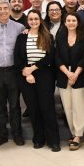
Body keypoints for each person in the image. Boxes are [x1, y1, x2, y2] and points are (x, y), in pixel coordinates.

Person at [13, 11, 59, 151]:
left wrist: (32, 68)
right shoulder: (21, 37)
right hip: (26, 76)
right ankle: (39, 139)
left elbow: (50, 57)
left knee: (47, 108)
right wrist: (26, 72)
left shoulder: (47, 36)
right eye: (31, 19)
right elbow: (17, 58)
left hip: (44, 75)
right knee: (33, 108)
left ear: (40, 20)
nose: (33, 21)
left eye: (36, 19)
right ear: (28, 21)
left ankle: (53, 141)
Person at [0, 0, 26, 147]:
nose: (2, 11)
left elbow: (22, 49)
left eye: (5, 8)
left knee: (14, 105)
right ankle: (1, 135)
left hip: (14, 71)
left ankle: (17, 134)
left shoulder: (19, 27)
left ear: (9, 10)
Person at [54, 12, 84, 150]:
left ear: (78, 22)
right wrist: (68, 73)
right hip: (64, 75)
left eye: (74, 20)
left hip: (79, 75)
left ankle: (78, 135)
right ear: (65, 23)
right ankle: (73, 132)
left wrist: (75, 74)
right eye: (68, 20)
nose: (71, 23)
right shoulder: (60, 37)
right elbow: (57, 57)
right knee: (68, 106)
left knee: (79, 106)